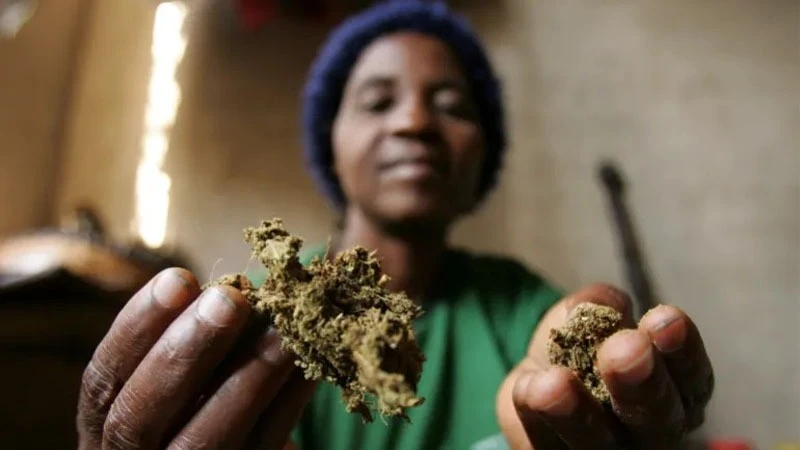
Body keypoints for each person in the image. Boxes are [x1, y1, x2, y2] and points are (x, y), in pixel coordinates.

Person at [76, 2, 714, 449]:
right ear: (331, 145)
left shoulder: (524, 312)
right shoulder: (252, 319)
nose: (414, 123)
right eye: (377, 101)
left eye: (451, 105)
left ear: (480, 158)